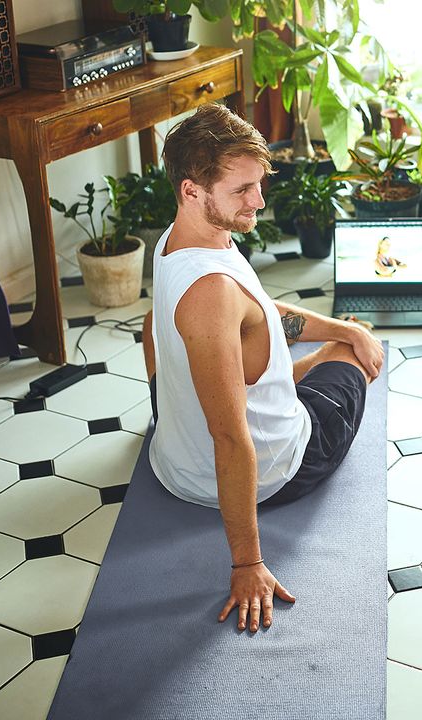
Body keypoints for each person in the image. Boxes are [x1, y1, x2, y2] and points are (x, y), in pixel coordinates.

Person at [140, 104, 384, 634]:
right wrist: (247, 563)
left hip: (175, 458)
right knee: (356, 358)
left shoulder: (174, 242)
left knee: (152, 326)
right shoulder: (212, 293)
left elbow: (260, 313)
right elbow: (230, 440)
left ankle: (308, 360)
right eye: (241, 190)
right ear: (191, 190)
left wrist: (342, 327)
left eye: (258, 184)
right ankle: (320, 366)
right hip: (269, 470)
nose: (259, 201)